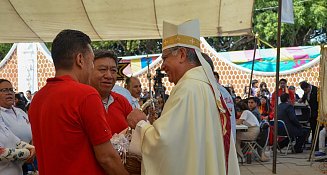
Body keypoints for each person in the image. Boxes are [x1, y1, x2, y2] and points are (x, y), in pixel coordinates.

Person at [126, 20, 239, 175]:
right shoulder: (206, 86)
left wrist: (140, 124)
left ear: (181, 55)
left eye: (164, 58)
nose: (162, 66)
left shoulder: (187, 88)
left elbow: (164, 143)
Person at [28, 29, 128, 175]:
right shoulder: (85, 95)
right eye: (91, 62)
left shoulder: (37, 99)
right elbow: (107, 157)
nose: (91, 67)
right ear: (80, 59)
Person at [90, 50, 132, 134]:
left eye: (113, 71)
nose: (109, 76)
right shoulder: (81, 101)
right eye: (102, 69)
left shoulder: (122, 101)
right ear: (89, 70)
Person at [299, 81, 319, 150]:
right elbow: (304, 98)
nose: (305, 91)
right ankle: (313, 145)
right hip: (312, 113)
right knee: (313, 128)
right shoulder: (306, 91)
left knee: (317, 129)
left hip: (317, 112)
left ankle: (317, 145)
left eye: (305, 90)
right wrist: (299, 101)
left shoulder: (316, 90)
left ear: (308, 87)